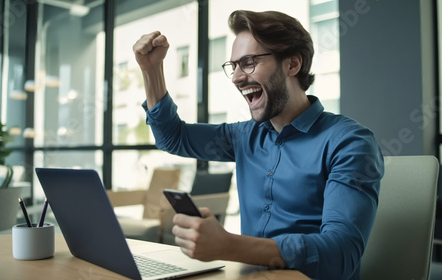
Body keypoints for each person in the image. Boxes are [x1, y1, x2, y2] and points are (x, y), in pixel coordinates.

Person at [133, 9, 384, 280]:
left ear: (292, 65)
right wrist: (151, 70)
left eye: (249, 62)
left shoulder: (349, 143)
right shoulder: (245, 137)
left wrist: (230, 246)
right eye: (234, 66)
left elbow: (340, 256)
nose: (237, 77)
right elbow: (174, 137)